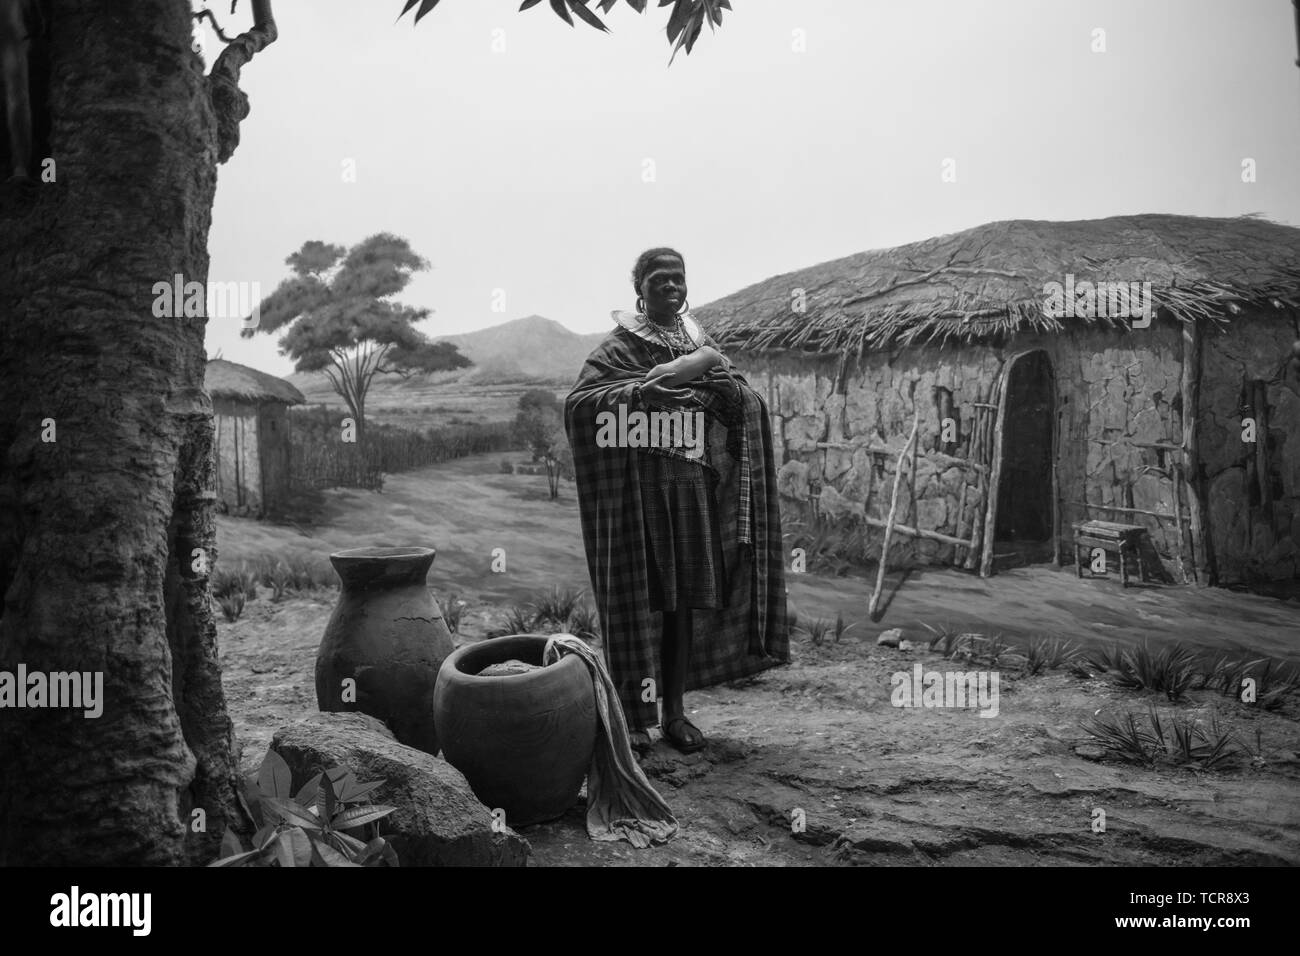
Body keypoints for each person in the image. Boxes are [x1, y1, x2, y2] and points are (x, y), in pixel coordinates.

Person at [564, 247, 789, 755]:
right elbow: (580, 406)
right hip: (638, 490)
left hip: (691, 487)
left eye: (679, 279)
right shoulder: (619, 348)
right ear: (639, 291)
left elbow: (743, 402)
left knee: (682, 604)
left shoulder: (698, 343)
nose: (672, 287)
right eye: (660, 279)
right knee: (638, 603)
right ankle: (635, 718)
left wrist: (722, 391)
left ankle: (675, 713)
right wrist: (641, 397)